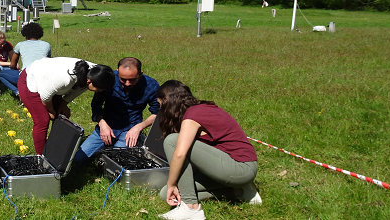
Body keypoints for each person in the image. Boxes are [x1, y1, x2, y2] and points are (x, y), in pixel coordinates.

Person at [155, 80, 261, 220]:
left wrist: (171, 183)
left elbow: (180, 154)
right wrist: (173, 186)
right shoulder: (199, 109)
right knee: (166, 194)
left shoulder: (193, 115)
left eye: (160, 104)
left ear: (166, 100)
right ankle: (239, 191)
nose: (160, 109)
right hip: (228, 167)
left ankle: (191, 209)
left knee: (172, 141)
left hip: (241, 168)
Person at [17, 57, 115, 155]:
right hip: (31, 79)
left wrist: (63, 105)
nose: (101, 91)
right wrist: (51, 111)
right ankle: (41, 156)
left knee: (62, 115)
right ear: (89, 81)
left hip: (50, 82)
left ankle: (53, 146)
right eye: (100, 89)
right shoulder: (65, 78)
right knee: (42, 120)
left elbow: (78, 90)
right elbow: (45, 96)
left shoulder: (97, 73)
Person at [74, 57, 160, 162]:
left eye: (132, 80)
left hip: (130, 128)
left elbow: (157, 113)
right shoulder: (108, 80)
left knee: (116, 161)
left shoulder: (151, 85)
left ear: (140, 74)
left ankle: (133, 141)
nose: (127, 83)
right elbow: (96, 105)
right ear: (118, 72)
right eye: (123, 79)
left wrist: (139, 127)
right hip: (107, 125)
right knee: (78, 159)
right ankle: (105, 150)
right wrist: (102, 124)